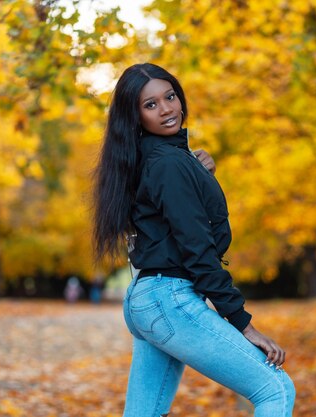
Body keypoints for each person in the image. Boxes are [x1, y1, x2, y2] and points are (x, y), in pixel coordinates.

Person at [93, 63, 295, 417]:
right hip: (170, 298)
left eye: (170, 96)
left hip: (146, 298)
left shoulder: (152, 160)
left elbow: (171, 212)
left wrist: (199, 171)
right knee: (275, 388)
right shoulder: (169, 164)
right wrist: (243, 324)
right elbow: (198, 250)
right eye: (150, 105)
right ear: (135, 115)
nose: (167, 109)